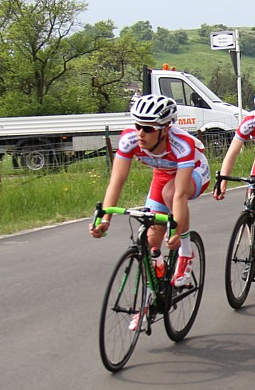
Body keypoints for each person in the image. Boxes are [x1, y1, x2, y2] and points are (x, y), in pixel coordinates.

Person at [89, 94, 211, 330]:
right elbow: (117, 180)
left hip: (194, 172)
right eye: (137, 126)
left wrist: (175, 229)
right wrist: (105, 219)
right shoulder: (129, 140)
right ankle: (149, 298)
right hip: (163, 175)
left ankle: (186, 256)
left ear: (165, 130)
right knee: (149, 239)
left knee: (170, 193)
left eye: (147, 128)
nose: (140, 133)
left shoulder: (181, 144)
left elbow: (178, 195)